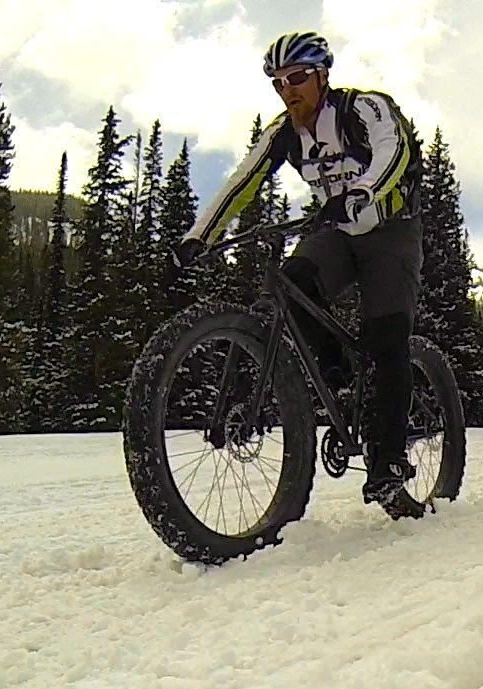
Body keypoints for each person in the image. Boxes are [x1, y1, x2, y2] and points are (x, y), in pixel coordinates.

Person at [174, 31, 424, 507]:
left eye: (297, 78)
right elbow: (242, 180)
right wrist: (199, 235)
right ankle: (344, 379)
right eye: (278, 82)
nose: (288, 89)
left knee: (387, 335)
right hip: (335, 228)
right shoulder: (284, 132)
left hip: (390, 227)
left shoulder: (362, 108)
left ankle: (389, 459)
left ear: (323, 76)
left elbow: (394, 151)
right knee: (292, 284)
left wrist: (364, 191)